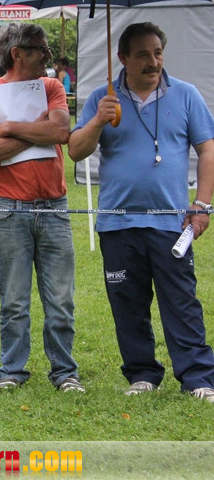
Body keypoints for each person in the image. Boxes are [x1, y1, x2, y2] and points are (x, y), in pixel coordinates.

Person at [68, 22, 214, 403]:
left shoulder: (186, 95)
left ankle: (198, 377)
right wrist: (98, 120)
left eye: (158, 53)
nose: (154, 62)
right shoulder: (103, 98)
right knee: (128, 304)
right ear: (122, 58)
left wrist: (201, 205)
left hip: (171, 222)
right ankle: (142, 373)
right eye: (143, 55)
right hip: (117, 223)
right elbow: (76, 150)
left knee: (181, 301)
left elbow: (208, 150)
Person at [0, 23, 83, 393]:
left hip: (54, 207)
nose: (48, 55)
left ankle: (65, 372)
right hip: (9, 209)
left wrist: (9, 128)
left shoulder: (52, 87)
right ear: (17, 54)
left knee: (61, 300)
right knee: (14, 300)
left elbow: (60, 132)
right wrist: (35, 130)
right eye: (40, 48)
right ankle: (12, 371)